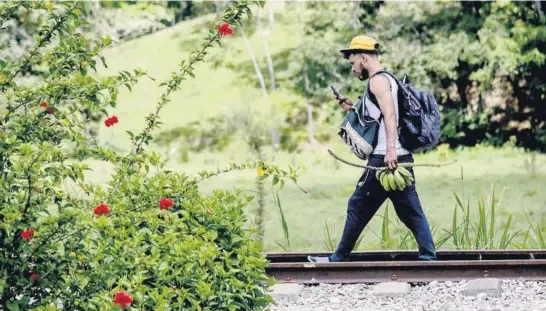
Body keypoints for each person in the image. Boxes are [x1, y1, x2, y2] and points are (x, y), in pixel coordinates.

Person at [308, 35, 437, 262]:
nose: (353, 69)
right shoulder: (387, 79)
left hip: (384, 159)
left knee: (357, 205)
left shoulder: (377, 81)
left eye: (353, 63)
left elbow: (390, 114)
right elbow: (376, 118)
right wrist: (351, 108)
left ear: (364, 58)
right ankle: (428, 258)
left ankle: (338, 258)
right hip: (398, 156)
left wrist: (389, 151)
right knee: (410, 210)